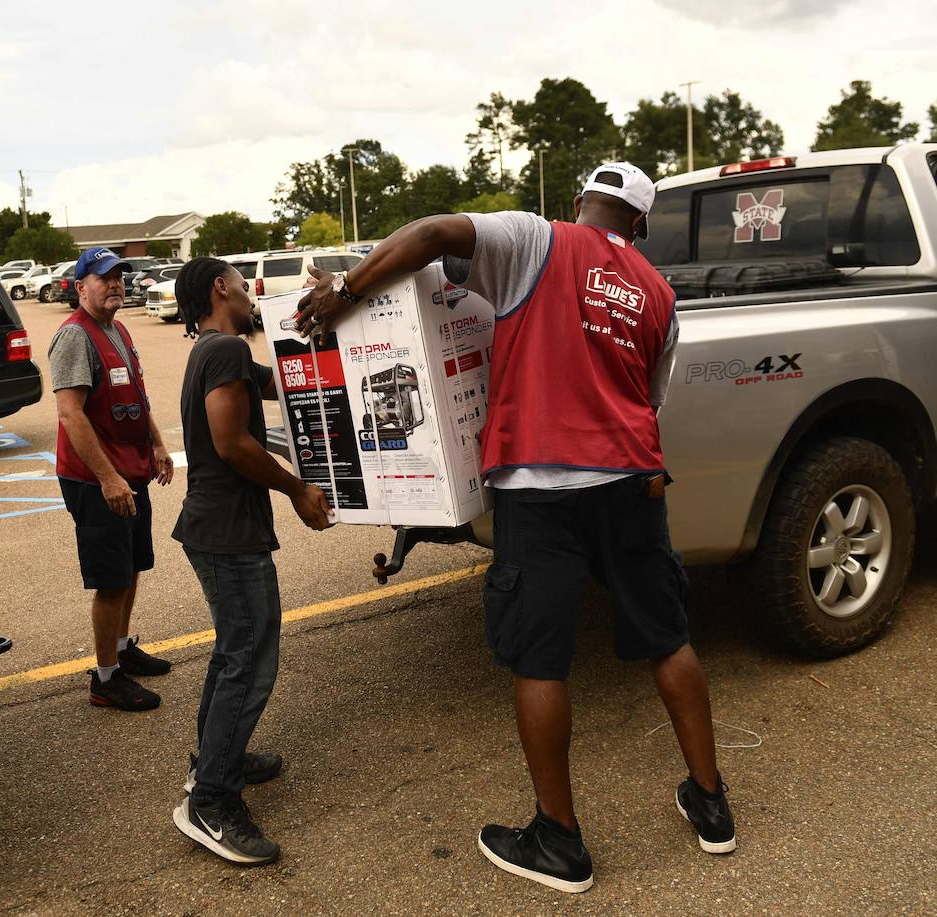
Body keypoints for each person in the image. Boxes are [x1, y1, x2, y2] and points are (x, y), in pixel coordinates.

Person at [295, 163, 735, 892]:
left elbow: (434, 233)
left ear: (579, 204)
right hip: (630, 481)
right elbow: (647, 397)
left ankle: (560, 841)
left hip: (539, 485)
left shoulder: (538, 240)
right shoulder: (660, 294)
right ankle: (711, 803)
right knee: (668, 637)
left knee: (542, 661)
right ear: (641, 224)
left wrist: (346, 289)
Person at [169, 257, 332, 866]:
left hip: (217, 529)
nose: (249, 292)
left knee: (234, 651)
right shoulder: (224, 351)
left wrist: (325, 313)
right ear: (219, 289)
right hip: (228, 533)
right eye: (243, 284)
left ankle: (216, 759)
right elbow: (230, 441)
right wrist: (296, 489)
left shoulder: (216, 353)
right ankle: (211, 799)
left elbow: (282, 378)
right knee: (251, 661)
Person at [50, 246, 176, 711]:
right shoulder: (74, 338)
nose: (115, 284)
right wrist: (107, 478)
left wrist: (158, 444)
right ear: (80, 287)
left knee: (132, 566)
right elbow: (71, 414)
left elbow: (135, 397)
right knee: (111, 578)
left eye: (119, 276)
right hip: (96, 479)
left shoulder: (116, 328)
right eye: (103, 278)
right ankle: (105, 679)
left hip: (130, 471)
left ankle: (121, 650)